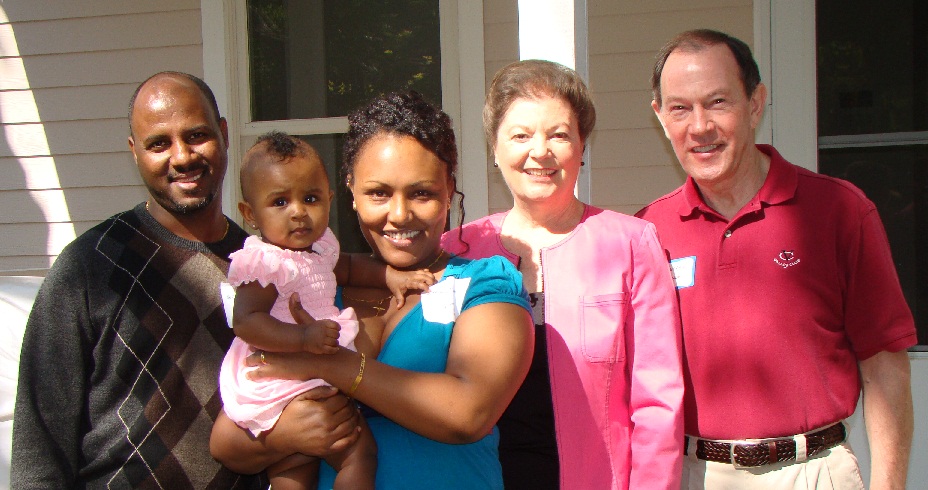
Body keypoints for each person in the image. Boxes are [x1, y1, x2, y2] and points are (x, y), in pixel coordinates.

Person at [211, 91, 535, 489]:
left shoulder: (484, 284)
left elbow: (468, 414)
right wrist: (286, 434)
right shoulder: (313, 290)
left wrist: (330, 367)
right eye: (378, 193)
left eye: (422, 193)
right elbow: (227, 442)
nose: (399, 214)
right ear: (349, 191)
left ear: (449, 189)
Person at [637, 29, 916, 489]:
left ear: (755, 102)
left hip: (813, 471)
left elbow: (885, 362)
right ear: (660, 117)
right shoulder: (648, 232)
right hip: (694, 475)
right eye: (680, 107)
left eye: (719, 102)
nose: (700, 126)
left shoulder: (839, 211)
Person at [11, 72, 268, 487]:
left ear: (222, 134)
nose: (182, 157)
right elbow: (40, 445)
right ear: (135, 152)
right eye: (159, 143)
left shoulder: (261, 270)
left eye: (197, 135)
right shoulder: (88, 268)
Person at [441, 59, 684, 489]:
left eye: (559, 134)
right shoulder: (457, 251)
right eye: (520, 135)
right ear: (494, 150)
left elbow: (658, 402)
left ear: (582, 147)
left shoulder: (631, 245)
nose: (540, 151)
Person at [220, 131, 380, 489]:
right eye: (279, 202)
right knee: (357, 452)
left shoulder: (320, 249)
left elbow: (350, 269)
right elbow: (246, 322)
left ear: (329, 200)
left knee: (299, 467)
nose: (298, 212)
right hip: (280, 372)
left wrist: (392, 277)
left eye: (310, 198)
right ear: (250, 214)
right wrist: (303, 337)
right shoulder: (264, 261)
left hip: (312, 367)